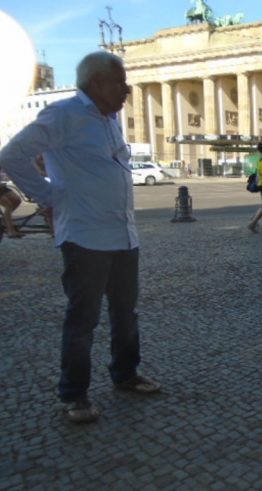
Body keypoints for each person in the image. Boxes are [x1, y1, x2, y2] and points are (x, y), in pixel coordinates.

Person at [0, 51, 161, 423]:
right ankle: (74, 394)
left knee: (125, 314)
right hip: (86, 237)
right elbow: (12, 155)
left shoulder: (109, 118)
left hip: (123, 235)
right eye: (121, 82)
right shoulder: (63, 114)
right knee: (82, 320)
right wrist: (49, 197)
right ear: (98, 82)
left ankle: (125, 373)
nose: (128, 89)